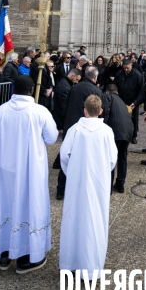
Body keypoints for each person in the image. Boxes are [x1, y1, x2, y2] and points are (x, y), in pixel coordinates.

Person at [0, 75, 58, 274]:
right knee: (30, 207)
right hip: (31, 171)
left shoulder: (1, 111)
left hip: (6, 169)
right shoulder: (40, 111)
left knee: (6, 206)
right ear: (31, 90)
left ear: (14, 89)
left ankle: (4, 254)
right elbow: (52, 138)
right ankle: (26, 258)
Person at [59, 94, 117, 280]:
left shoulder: (75, 130)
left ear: (85, 110)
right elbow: (111, 159)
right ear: (100, 111)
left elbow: (64, 156)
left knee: (74, 219)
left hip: (77, 181)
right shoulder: (107, 131)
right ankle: (92, 265)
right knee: (95, 220)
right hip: (99, 182)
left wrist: (74, 172)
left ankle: (71, 264)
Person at [56, 66, 104, 199]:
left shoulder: (74, 87)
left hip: (71, 126)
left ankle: (61, 189)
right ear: (95, 77)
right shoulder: (95, 90)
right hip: (86, 128)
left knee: (67, 157)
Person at [105, 83, 133, 192]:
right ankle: (120, 184)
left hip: (115, 131)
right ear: (117, 91)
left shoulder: (108, 97)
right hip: (127, 131)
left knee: (111, 158)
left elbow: (106, 112)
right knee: (122, 158)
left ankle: (109, 186)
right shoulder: (121, 101)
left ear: (107, 92)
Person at [51, 68, 81, 169]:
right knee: (67, 141)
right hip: (63, 116)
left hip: (62, 115)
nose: (77, 82)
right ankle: (58, 162)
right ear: (72, 76)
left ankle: (58, 162)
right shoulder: (64, 86)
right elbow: (64, 104)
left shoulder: (65, 84)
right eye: (76, 80)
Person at [115, 59, 143, 144]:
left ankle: (134, 136)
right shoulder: (120, 74)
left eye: (127, 68)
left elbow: (141, 89)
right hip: (121, 100)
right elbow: (115, 85)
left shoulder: (137, 75)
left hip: (133, 101)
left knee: (134, 119)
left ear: (131, 65)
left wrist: (138, 101)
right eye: (125, 68)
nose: (126, 70)